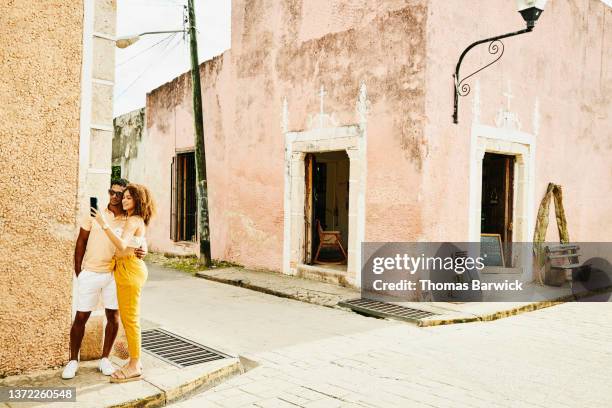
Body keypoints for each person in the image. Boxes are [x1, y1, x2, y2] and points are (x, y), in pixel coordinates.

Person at [62, 179, 147, 380]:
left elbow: (139, 238)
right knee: (81, 317)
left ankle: (105, 359)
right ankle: (73, 360)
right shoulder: (94, 214)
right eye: (113, 192)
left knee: (113, 317)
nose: (116, 197)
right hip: (90, 272)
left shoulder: (129, 218)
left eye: (122, 194)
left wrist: (144, 249)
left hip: (114, 274)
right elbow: (80, 242)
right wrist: (79, 272)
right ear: (108, 192)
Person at [92, 183, 156, 383]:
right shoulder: (134, 219)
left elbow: (121, 244)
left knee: (130, 319)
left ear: (138, 200)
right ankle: (134, 360)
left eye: (129, 197)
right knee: (130, 318)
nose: (124, 200)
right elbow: (137, 242)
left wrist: (103, 223)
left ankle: (134, 365)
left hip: (129, 270)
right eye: (124, 196)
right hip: (126, 268)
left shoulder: (134, 220)